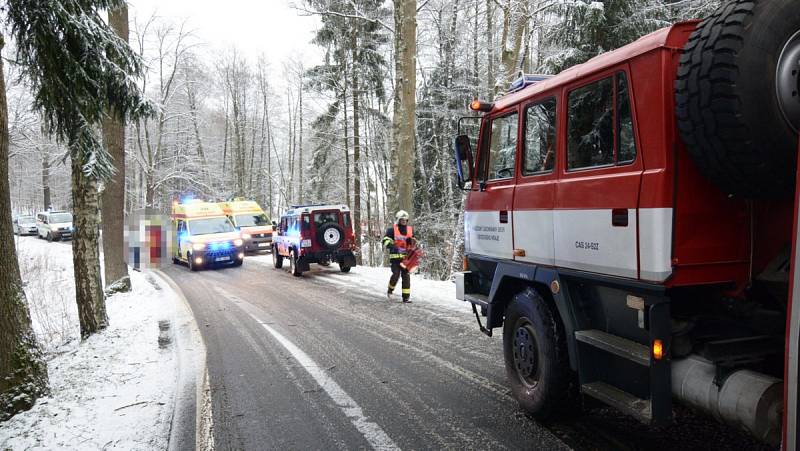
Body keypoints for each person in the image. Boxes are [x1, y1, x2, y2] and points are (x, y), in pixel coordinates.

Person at [383, 210, 413, 303]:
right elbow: (385, 240)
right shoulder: (391, 230)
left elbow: (413, 242)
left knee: (406, 277)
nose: (403, 221)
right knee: (396, 275)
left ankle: (406, 297)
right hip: (395, 259)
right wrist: (391, 245)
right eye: (402, 219)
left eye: (405, 219)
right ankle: (390, 290)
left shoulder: (410, 230)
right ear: (398, 220)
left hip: (406, 259)